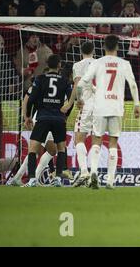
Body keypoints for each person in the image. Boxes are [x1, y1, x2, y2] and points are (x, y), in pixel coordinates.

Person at [77, 35, 140, 189]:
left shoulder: (97, 63)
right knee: (113, 142)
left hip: (100, 107)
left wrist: (80, 99)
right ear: (117, 47)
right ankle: (110, 181)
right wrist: (136, 104)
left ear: (104, 47)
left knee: (96, 140)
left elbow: (80, 84)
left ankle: (93, 172)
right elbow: (133, 85)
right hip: (116, 107)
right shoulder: (124, 63)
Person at [24, 54, 72, 187]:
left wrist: (28, 116)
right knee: (61, 149)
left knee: (33, 149)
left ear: (47, 65)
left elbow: (31, 99)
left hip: (43, 117)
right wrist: (66, 113)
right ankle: (57, 178)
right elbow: (70, 100)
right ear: (59, 65)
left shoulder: (40, 79)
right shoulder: (65, 80)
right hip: (58, 118)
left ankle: (32, 179)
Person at [61, 42, 96, 187]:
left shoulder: (78, 65)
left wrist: (72, 102)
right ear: (94, 51)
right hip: (100, 105)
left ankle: (84, 172)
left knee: (79, 138)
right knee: (96, 140)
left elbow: (77, 85)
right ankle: (94, 173)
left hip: (87, 104)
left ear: (81, 51)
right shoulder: (100, 64)